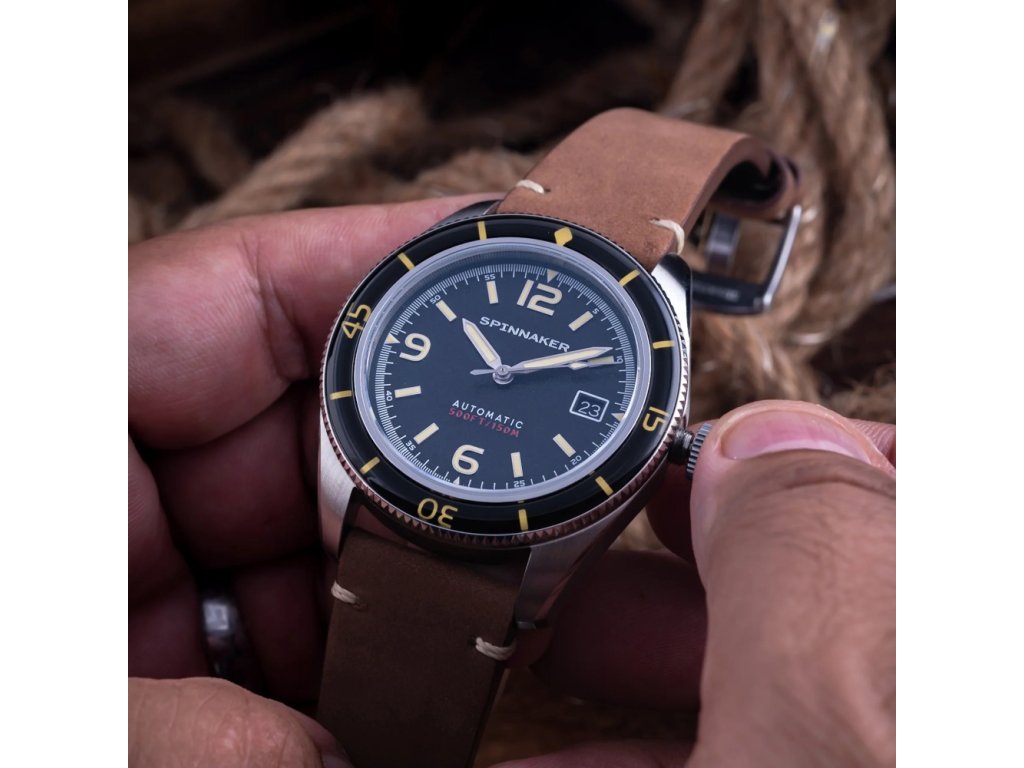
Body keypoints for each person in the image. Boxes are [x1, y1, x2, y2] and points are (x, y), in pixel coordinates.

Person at [128, 195, 896, 767]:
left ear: (659, 430)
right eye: (495, 366)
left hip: (491, 552)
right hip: (374, 509)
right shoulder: (340, 468)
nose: (501, 376)